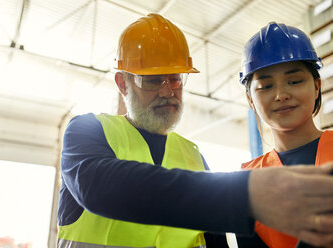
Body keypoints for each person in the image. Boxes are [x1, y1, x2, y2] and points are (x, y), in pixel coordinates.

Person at [57, 14, 333, 248]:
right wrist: (246, 195)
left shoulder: (192, 156)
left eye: (175, 78)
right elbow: (100, 185)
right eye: (152, 80)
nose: (167, 91)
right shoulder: (89, 131)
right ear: (122, 83)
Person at [238, 22, 333, 248]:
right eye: (266, 86)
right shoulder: (247, 183)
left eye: (295, 81)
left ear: (317, 86)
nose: (281, 95)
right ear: (250, 98)